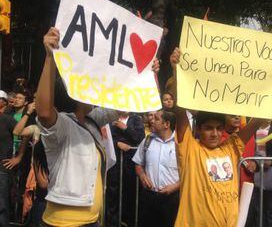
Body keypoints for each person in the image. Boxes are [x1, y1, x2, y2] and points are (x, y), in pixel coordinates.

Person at [36, 27, 159, 226]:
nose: (92, 90)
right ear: (72, 95)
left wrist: (147, 74)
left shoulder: (92, 119)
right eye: (85, 87)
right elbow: (43, 112)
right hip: (62, 223)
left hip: (93, 220)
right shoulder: (63, 126)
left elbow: (126, 102)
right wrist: (49, 57)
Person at [169, 47, 272, 227]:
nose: (215, 133)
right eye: (208, 128)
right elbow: (180, 111)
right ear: (199, 130)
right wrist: (176, 70)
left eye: (218, 128)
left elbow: (257, 121)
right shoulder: (189, 149)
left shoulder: (231, 148)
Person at [132, 110, 179, 227]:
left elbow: (189, 173)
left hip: (171, 200)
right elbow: (138, 163)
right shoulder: (147, 140)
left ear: (166, 124)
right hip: (149, 198)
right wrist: (142, 175)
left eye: (157, 118)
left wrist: (175, 186)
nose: (152, 120)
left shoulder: (180, 144)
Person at [105, 111, 145, 227]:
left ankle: (129, 221)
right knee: (113, 192)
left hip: (130, 163)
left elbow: (140, 138)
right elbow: (105, 137)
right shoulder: (110, 118)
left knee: (130, 192)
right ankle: (112, 222)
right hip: (115, 162)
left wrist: (125, 128)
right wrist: (117, 143)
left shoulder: (136, 119)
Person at [0, 109, 18, 227]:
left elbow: (25, 132)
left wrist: (18, 157)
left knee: (2, 205)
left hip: (2, 168)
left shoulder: (6, 119)